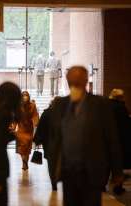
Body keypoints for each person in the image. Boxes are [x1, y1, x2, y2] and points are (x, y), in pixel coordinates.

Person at [48, 66, 123, 206]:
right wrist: (53, 169)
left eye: (77, 81)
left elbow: (111, 139)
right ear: (67, 81)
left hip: (92, 171)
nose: (74, 84)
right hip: (68, 171)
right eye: (71, 80)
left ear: (85, 81)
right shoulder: (60, 105)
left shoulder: (100, 104)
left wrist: (117, 171)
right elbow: (55, 138)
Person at [34, 97, 60, 191]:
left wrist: (37, 140)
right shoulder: (65, 113)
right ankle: (57, 179)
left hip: (49, 143)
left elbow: (40, 127)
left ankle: (54, 182)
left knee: (51, 163)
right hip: (61, 143)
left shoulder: (46, 113)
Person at [109, 89, 131, 194]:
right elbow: (125, 126)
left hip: (108, 138)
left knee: (108, 162)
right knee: (118, 163)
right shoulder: (121, 108)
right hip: (119, 139)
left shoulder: (106, 106)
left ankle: (103, 185)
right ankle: (118, 186)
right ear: (120, 97)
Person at [16, 91, 39, 170]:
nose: (25, 97)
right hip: (21, 129)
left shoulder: (32, 105)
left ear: (28, 96)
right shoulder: (18, 106)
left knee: (27, 148)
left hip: (29, 129)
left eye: (26, 95)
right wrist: (13, 126)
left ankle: (25, 162)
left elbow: (35, 115)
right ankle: (24, 162)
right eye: (23, 95)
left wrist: (36, 122)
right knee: (22, 147)